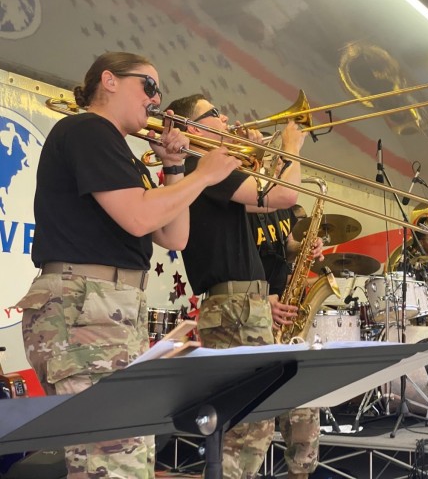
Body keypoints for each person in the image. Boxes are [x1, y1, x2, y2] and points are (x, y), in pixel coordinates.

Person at [16, 52, 240, 479]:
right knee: (114, 459)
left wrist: (175, 168)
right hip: (87, 309)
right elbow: (137, 216)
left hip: (105, 311)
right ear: (110, 81)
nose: (156, 100)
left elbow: (173, 237)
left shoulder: (118, 149)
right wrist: (204, 176)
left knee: (117, 457)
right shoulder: (88, 129)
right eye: (149, 86)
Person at [165, 93, 307, 479]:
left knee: (253, 425)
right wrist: (291, 147)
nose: (227, 118)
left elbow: (267, 204)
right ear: (191, 128)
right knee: (249, 428)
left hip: (242, 306)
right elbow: (285, 195)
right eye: (214, 114)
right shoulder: (199, 165)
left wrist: (263, 159)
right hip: (234, 308)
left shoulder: (209, 172)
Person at [248, 204, 323, 479]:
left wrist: (305, 248)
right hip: (251, 311)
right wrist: (259, 301)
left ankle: (300, 472)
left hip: (284, 312)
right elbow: (231, 259)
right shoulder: (241, 200)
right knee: (252, 426)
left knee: (304, 410)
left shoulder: (285, 209)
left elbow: (285, 245)